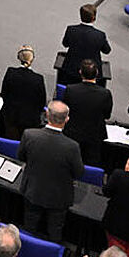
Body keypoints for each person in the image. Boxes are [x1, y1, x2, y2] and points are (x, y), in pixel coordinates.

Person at [17, 101, 85, 241]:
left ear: (47, 115)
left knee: (29, 228)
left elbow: (21, 156)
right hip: (58, 197)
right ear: (67, 119)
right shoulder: (72, 147)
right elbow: (78, 173)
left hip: (33, 191)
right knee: (55, 232)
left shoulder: (29, 135)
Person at [61, 60, 112, 166]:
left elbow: (64, 111)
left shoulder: (70, 90)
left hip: (72, 134)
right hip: (94, 137)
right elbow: (107, 115)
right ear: (97, 73)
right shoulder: (105, 94)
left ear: (80, 72)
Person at [0, 46, 46, 140]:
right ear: (32, 59)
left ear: (19, 58)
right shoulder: (38, 79)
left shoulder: (10, 72)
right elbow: (41, 102)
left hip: (9, 119)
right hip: (29, 122)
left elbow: (4, 94)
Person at [58, 3, 110, 86]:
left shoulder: (71, 30)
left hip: (71, 70)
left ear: (80, 16)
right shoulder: (100, 35)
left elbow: (65, 44)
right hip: (91, 71)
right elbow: (107, 50)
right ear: (94, 18)